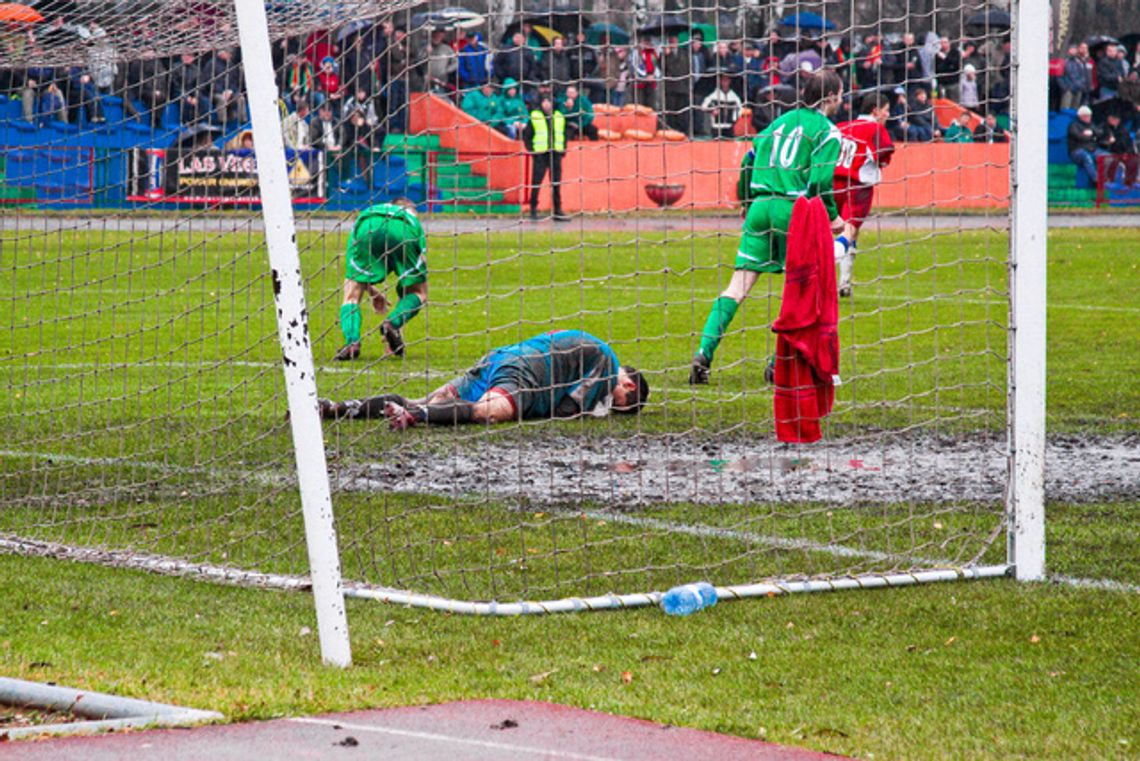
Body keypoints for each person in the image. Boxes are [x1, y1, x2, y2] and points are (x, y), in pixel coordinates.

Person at [690, 69, 846, 385]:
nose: (842, 101)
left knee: (737, 287)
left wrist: (748, 203)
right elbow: (819, 180)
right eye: (841, 94)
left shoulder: (777, 124)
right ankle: (779, 364)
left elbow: (749, 162)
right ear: (830, 97)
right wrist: (833, 216)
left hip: (760, 207)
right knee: (803, 288)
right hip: (794, 211)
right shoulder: (828, 131)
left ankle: (704, 353)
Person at [319, 330, 649, 429]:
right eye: (619, 403)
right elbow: (565, 409)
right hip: (526, 373)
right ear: (629, 386)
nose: (611, 401)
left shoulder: (588, 342)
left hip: (498, 358)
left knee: (429, 398)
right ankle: (416, 417)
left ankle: (339, 407)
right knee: (485, 412)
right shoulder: (609, 361)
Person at [334, 199, 428, 361]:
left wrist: (371, 291)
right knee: (419, 292)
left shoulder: (373, 210)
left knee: (352, 294)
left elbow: (358, 273)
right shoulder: (412, 220)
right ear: (412, 211)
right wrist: (397, 320)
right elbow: (415, 276)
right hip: (403, 232)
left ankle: (352, 344)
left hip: (367, 226)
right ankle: (392, 324)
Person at [833, 92, 895, 297]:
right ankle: (827, 270)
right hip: (858, 186)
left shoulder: (841, 126)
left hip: (832, 183)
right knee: (850, 230)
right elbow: (884, 157)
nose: (888, 115)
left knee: (840, 230)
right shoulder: (876, 128)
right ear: (876, 111)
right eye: (886, 110)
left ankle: (844, 282)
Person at [524, 94, 568, 221]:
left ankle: (558, 210)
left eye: (549, 101)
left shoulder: (559, 116)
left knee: (556, 183)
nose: (547, 104)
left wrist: (563, 149)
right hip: (541, 154)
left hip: (555, 154)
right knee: (536, 182)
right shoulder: (535, 117)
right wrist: (532, 150)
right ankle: (533, 209)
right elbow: (527, 135)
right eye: (545, 101)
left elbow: (563, 134)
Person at [1067, 105, 1105, 185]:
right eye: (1087, 116)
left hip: (1092, 149)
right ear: (1081, 116)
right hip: (1076, 150)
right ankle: (1096, 180)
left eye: (1090, 115)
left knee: (1107, 156)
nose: (1089, 117)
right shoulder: (1074, 125)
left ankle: (1109, 179)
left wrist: (1092, 134)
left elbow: (1100, 133)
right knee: (1086, 157)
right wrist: (1093, 137)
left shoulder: (1091, 125)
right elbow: (1079, 137)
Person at [1100, 112, 1139, 186]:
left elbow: (1128, 143)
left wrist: (1127, 153)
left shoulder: (1123, 130)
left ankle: (1129, 182)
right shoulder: (1104, 128)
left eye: (1117, 119)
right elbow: (1101, 141)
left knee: (1134, 160)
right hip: (1112, 151)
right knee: (1112, 159)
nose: (1115, 121)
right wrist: (1109, 141)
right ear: (1109, 119)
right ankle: (1109, 181)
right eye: (1113, 119)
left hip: (1124, 152)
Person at [701, 72, 743, 139]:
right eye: (723, 80)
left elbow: (740, 109)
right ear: (720, 81)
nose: (725, 82)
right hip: (716, 127)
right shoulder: (713, 95)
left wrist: (734, 119)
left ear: (730, 81)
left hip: (729, 127)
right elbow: (703, 107)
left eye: (727, 79)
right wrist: (712, 110)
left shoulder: (734, 97)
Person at [1059, 42, 1093, 111]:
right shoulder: (1064, 61)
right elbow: (1059, 76)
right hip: (1068, 89)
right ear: (1068, 50)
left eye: (1075, 49)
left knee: (1075, 110)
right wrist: (1065, 87)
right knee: (1065, 109)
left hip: (1078, 89)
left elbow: (1084, 74)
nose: (1074, 51)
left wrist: (1081, 85)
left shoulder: (1080, 61)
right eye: (1072, 49)